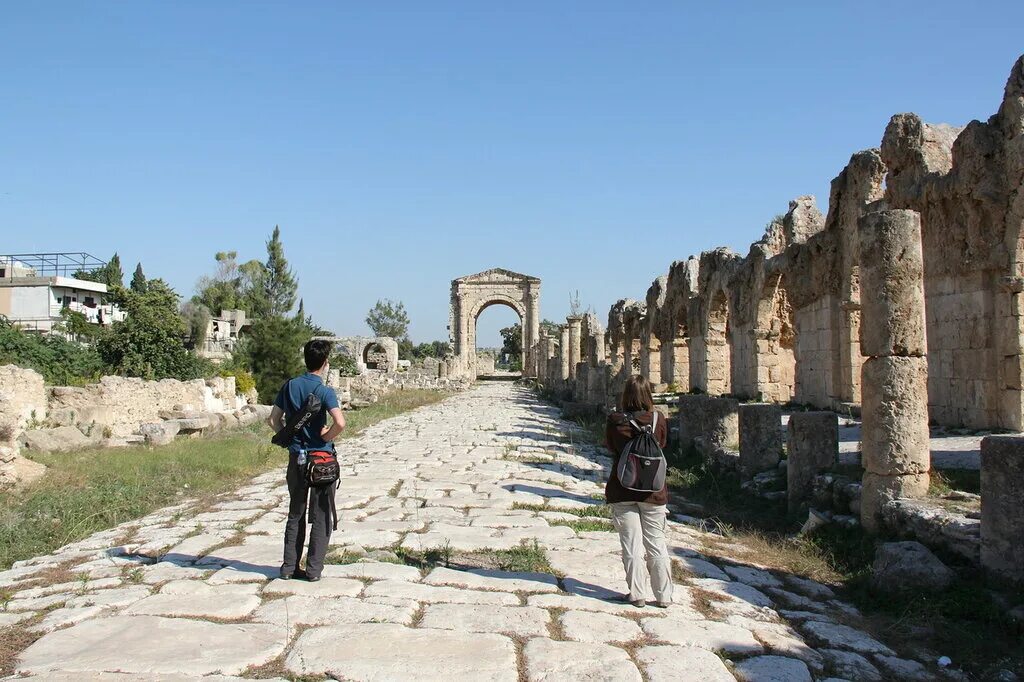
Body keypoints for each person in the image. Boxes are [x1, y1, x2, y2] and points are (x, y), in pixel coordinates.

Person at [267, 339, 346, 582]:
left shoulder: (290, 386)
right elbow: (340, 423)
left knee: (296, 512)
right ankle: (313, 570)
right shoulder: (324, 391)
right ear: (325, 363)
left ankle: (289, 567)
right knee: (321, 515)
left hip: (297, 458)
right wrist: (325, 436)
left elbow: (273, 420)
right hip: (321, 459)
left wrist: (290, 436)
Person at [604, 375, 673, 608]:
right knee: (656, 543)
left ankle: (637, 594)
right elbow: (662, 445)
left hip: (622, 489)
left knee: (630, 544)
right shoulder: (658, 419)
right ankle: (664, 596)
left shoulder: (615, 420)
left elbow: (610, 447)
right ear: (648, 395)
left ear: (625, 395)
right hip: (654, 490)